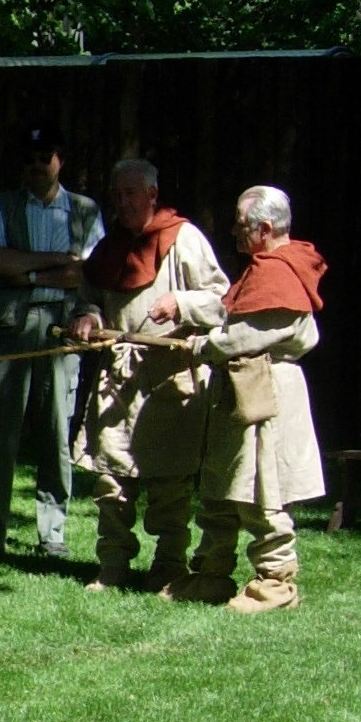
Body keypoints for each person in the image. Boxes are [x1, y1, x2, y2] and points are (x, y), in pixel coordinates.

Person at [66, 159, 230, 591]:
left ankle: (169, 568)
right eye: (117, 195)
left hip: (168, 380)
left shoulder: (184, 239)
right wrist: (87, 315)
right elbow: (90, 296)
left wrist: (182, 303)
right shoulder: (111, 245)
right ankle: (113, 568)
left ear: (152, 195)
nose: (122, 203)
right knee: (110, 478)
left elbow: (221, 299)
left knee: (169, 485)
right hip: (119, 378)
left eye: (131, 194)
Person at [168, 185, 327, 614]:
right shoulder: (262, 267)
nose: (237, 232)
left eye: (243, 225)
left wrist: (203, 347)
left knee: (262, 490)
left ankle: (274, 585)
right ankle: (211, 574)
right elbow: (231, 319)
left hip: (265, 393)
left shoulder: (281, 271)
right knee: (221, 486)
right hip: (240, 389)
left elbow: (247, 334)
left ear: (266, 228)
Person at [0, 125, 101, 557]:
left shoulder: (84, 211)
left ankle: (53, 534)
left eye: (44, 157)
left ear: (58, 161)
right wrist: (50, 265)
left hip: (61, 329)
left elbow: (85, 272)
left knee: (56, 431)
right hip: (11, 328)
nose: (36, 165)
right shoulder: (2, 205)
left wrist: (22, 270)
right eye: (29, 158)